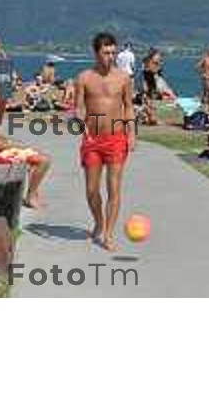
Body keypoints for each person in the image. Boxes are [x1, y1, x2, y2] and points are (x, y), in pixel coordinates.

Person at [75, 32, 136, 252]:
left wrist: (132, 133)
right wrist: (79, 119)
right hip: (92, 138)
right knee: (91, 190)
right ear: (96, 52)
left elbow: (128, 106)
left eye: (113, 52)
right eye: (106, 52)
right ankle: (99, 221)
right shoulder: (84, 78)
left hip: (116, 138)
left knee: (114, 188)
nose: (110, 56)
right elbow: (79, 107)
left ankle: (108, 233)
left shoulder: (123, 78)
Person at [0, 83, 51, 209]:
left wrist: (10, 143)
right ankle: (30, 197)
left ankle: (32, 194)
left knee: (37, 155)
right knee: (44, 161)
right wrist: (14, 146)